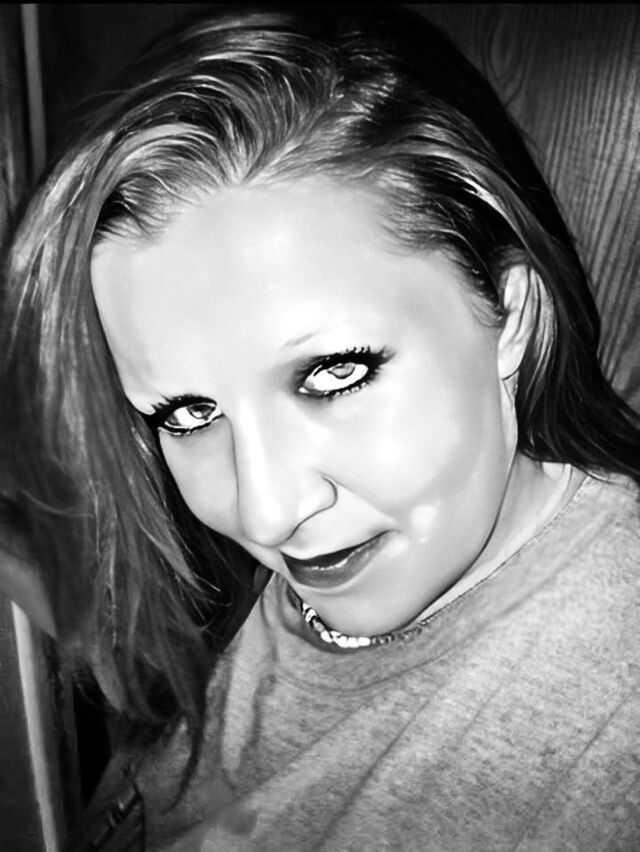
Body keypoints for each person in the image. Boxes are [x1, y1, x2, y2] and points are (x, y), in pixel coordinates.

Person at [2, 5, 640, 850]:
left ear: (511, 317)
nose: (266, 513)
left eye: (335, 374)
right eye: (188, 414)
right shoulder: (218, 582)